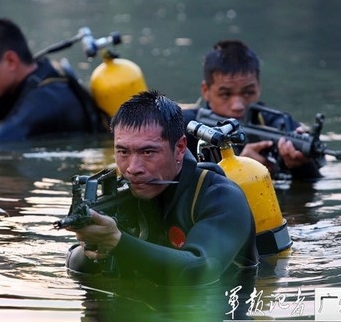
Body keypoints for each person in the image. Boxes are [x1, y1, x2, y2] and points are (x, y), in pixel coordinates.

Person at [65, 90, 258, 286]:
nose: (132, 168)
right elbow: (75, 266)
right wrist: (91, 244)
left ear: (180, 148)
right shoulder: (120, 195)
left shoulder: (221, 197)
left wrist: (117, 242)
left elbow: (198, 271)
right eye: (123, 152)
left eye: (148, 152)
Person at [183, 39, 323, 180]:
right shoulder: (185, 127)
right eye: (225, 94)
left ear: (258, 87)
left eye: (248, 93)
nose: (237, 105)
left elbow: (314, 184)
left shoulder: (276, 125)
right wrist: (239, 169)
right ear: (206, 90)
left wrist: (299, 164)